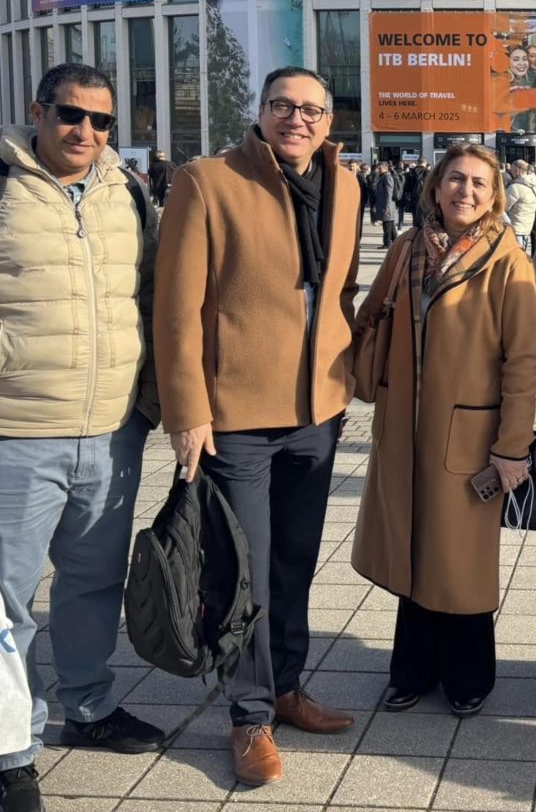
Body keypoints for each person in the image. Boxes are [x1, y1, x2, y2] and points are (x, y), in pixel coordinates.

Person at [0, 63, 164, 812]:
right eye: (71, 114)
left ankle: (89, 704)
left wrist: (147, 405)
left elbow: (147, 301)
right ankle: (9, 746)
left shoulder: (126, 194)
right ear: (38, 112)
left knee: (93, 586)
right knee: (2, 602)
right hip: (8, 435)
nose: (86, 131)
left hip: (109, 435)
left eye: (101, 121)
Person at [155, 67, 363, 786]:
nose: (296, 119)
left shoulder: (346, 186)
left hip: (317, 412)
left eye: (311, 109)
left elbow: (341, 290)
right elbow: (176, 306)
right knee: (243, 571)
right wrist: (187, 409)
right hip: (237, 416)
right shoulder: (207, 182)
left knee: (294, 563)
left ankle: (287, 686)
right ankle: (249, 715)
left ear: (328, 121)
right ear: (262, 111)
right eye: (282, 106)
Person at [352, 143, 536, 717]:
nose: (466, 191)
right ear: (435, 187)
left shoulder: (508, 260)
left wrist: (513, 446)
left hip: (470, 434)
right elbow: (370, 316)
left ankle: (467, 673)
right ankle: (411, 668)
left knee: (460, 558)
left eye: (480, 183)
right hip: (404, 427)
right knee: (412, 545)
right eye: (456, 179)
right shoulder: (407, 248)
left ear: (494, 196)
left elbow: (523, 362)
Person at [505, 160, 536, 251]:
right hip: (527, 226)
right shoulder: (534, 185)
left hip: (515, 226)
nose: (511, 171)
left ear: (517, 170)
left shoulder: (515, 187)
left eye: (512, 169)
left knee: (514, 254)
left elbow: (503, 206)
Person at [373, 161, 401, 247]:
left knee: (387, 225)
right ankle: (395, 241)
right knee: (390, 224)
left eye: (380, 168)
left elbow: (389, 193)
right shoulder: (383, 176)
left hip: (388, 205)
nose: (378, 170)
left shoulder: (387, 177)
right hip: (386, 204)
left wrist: (387, 207)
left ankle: (387, 243)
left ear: (385, 168)